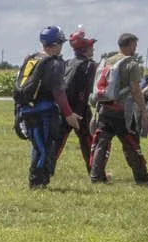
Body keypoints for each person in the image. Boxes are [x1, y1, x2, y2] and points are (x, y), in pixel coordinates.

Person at [87, 33, 148, 184]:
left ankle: (96, 176)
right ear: (129, 45)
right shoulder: (131, 64)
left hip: (104, 108)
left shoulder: (107, 61)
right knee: (131, 143)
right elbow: (135, 89)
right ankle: (141, 176)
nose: (135, 49)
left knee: (101, 143)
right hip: (123, 111)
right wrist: (143, 110)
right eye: (134, 46)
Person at [15, 27, 72, 187]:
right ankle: (37, 180)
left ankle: (39, 178)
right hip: (44, 111)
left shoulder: (31, 59)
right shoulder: (54, 63)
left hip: (27, 109)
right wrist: (68, 114)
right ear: (58, 43)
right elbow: (58, 91)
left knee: (38, 145)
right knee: (44, 147)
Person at [62, 28, 99, 173]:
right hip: (80, 109)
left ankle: (46, 170)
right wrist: (78, 112)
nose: (93, 50)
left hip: (65, 107)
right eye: (91, 47)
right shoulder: (89, 65)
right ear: (85, 49)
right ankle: (95, 170)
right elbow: (86, 90)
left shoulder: (68, 63)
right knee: (88, 141)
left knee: (58, 141)